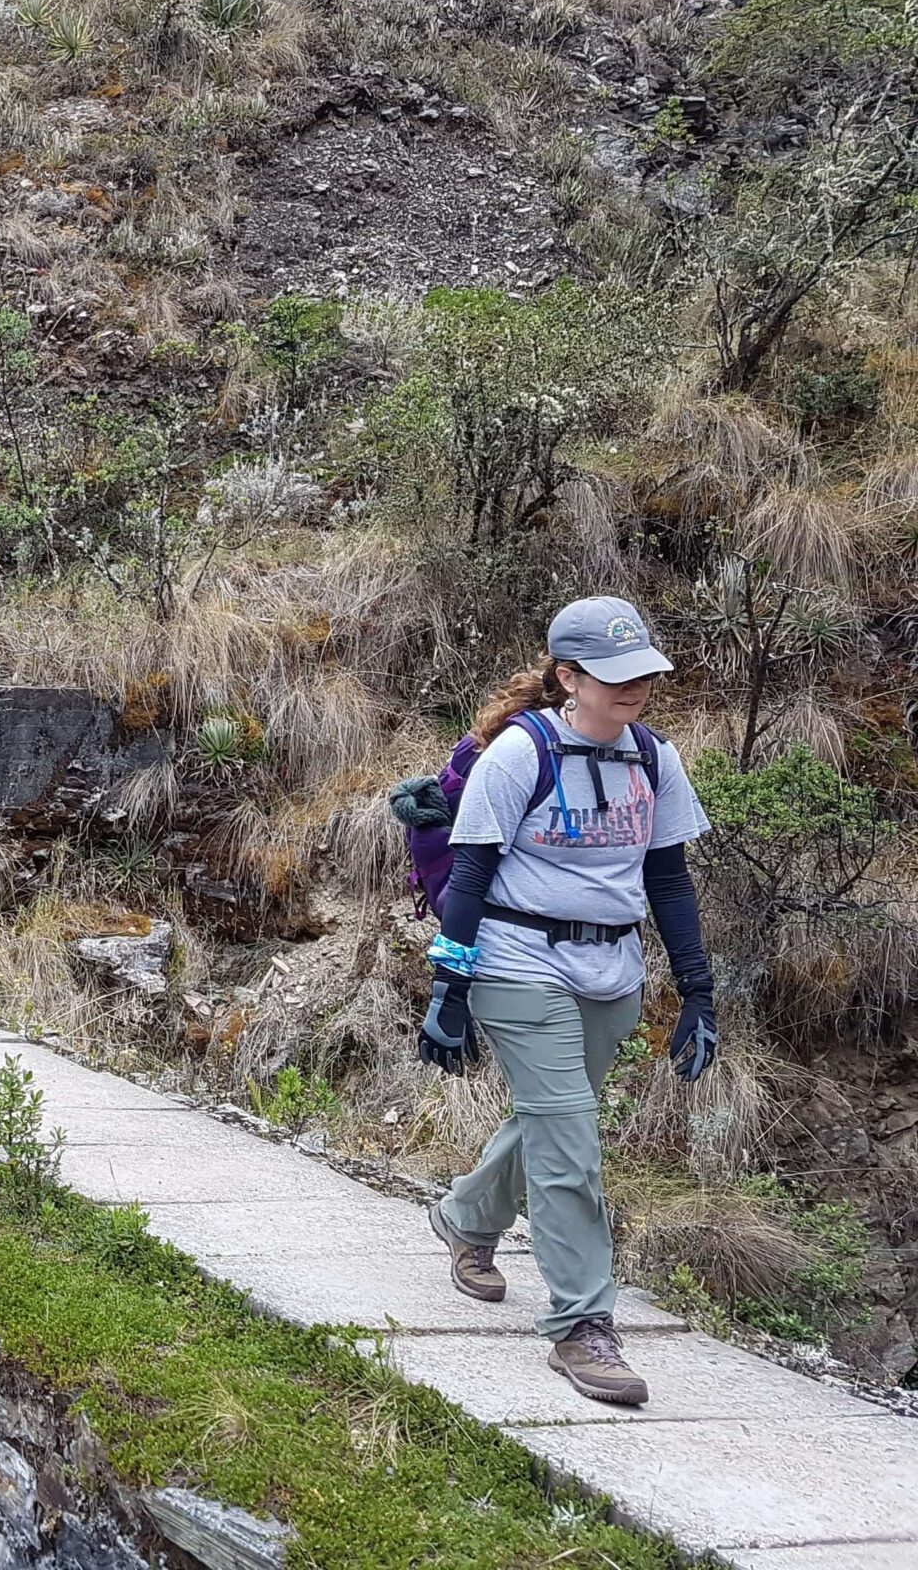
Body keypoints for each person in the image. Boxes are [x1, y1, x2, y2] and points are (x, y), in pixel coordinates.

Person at [417, 595, 717, 1409]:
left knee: (552, 1120)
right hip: (520, 965)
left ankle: (466, 1219)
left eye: (643, 675)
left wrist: (698, 990)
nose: (635, 690)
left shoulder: (655, 758)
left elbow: (668, 879)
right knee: (570, 1145)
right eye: (614, 677)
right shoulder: (522, 753)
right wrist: (450, 985)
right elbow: (472, 874)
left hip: (613, 974)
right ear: (568, 677)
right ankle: (582, 1325)